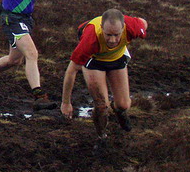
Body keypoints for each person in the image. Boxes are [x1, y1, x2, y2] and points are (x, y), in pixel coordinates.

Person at [60, 9, 148, 145]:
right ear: (101, 28)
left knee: (124, 104)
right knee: (101, 106)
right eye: (108, 35)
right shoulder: (90, 39)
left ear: (123, 28)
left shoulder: (132, 27)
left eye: (116, 35)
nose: (112, 40)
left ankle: (119, 111)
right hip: (95, 60)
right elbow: (71, 71)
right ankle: (102, 137)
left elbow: (143, 23)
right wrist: (66, 103)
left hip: (117, 59)